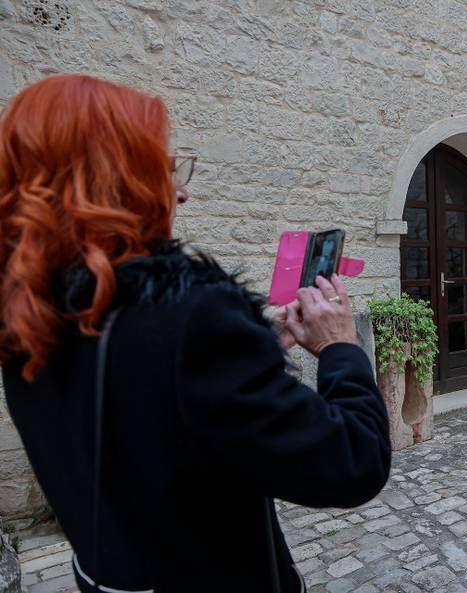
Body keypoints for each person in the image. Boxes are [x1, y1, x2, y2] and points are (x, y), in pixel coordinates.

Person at [0, 75, 391, 592]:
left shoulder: (25, 309)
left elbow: (140, 414)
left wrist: (251, 348)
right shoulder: (190, 318)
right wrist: (340, 346)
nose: (181, 191)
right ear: (116, 180)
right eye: (164, 168)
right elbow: (353, 461)